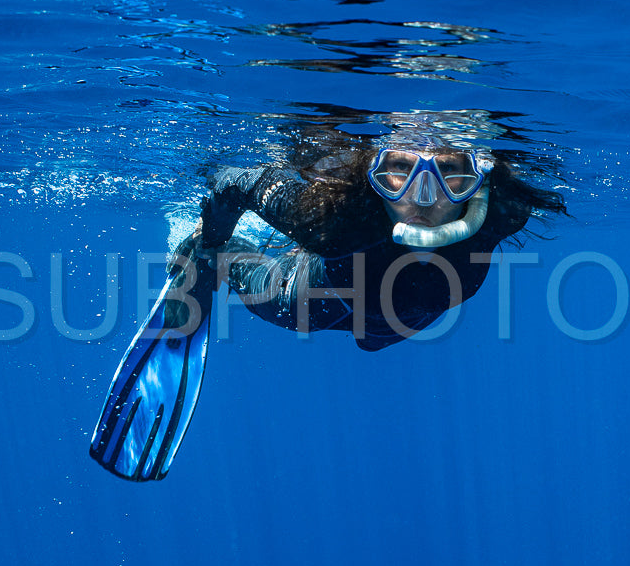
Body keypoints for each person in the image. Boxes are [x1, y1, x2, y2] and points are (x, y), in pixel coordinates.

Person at [90, 117, 567, 480]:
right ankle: (209, 261)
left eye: (450, 174)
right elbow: (232, 179)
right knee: (240, 268)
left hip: (394, 325)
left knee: (372, 342)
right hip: (312, 299)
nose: (425, 199)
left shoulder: (504, 209)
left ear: (479, 177)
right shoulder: (335, 222)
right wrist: (212, 240)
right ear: (373, 175)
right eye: (399, 171)